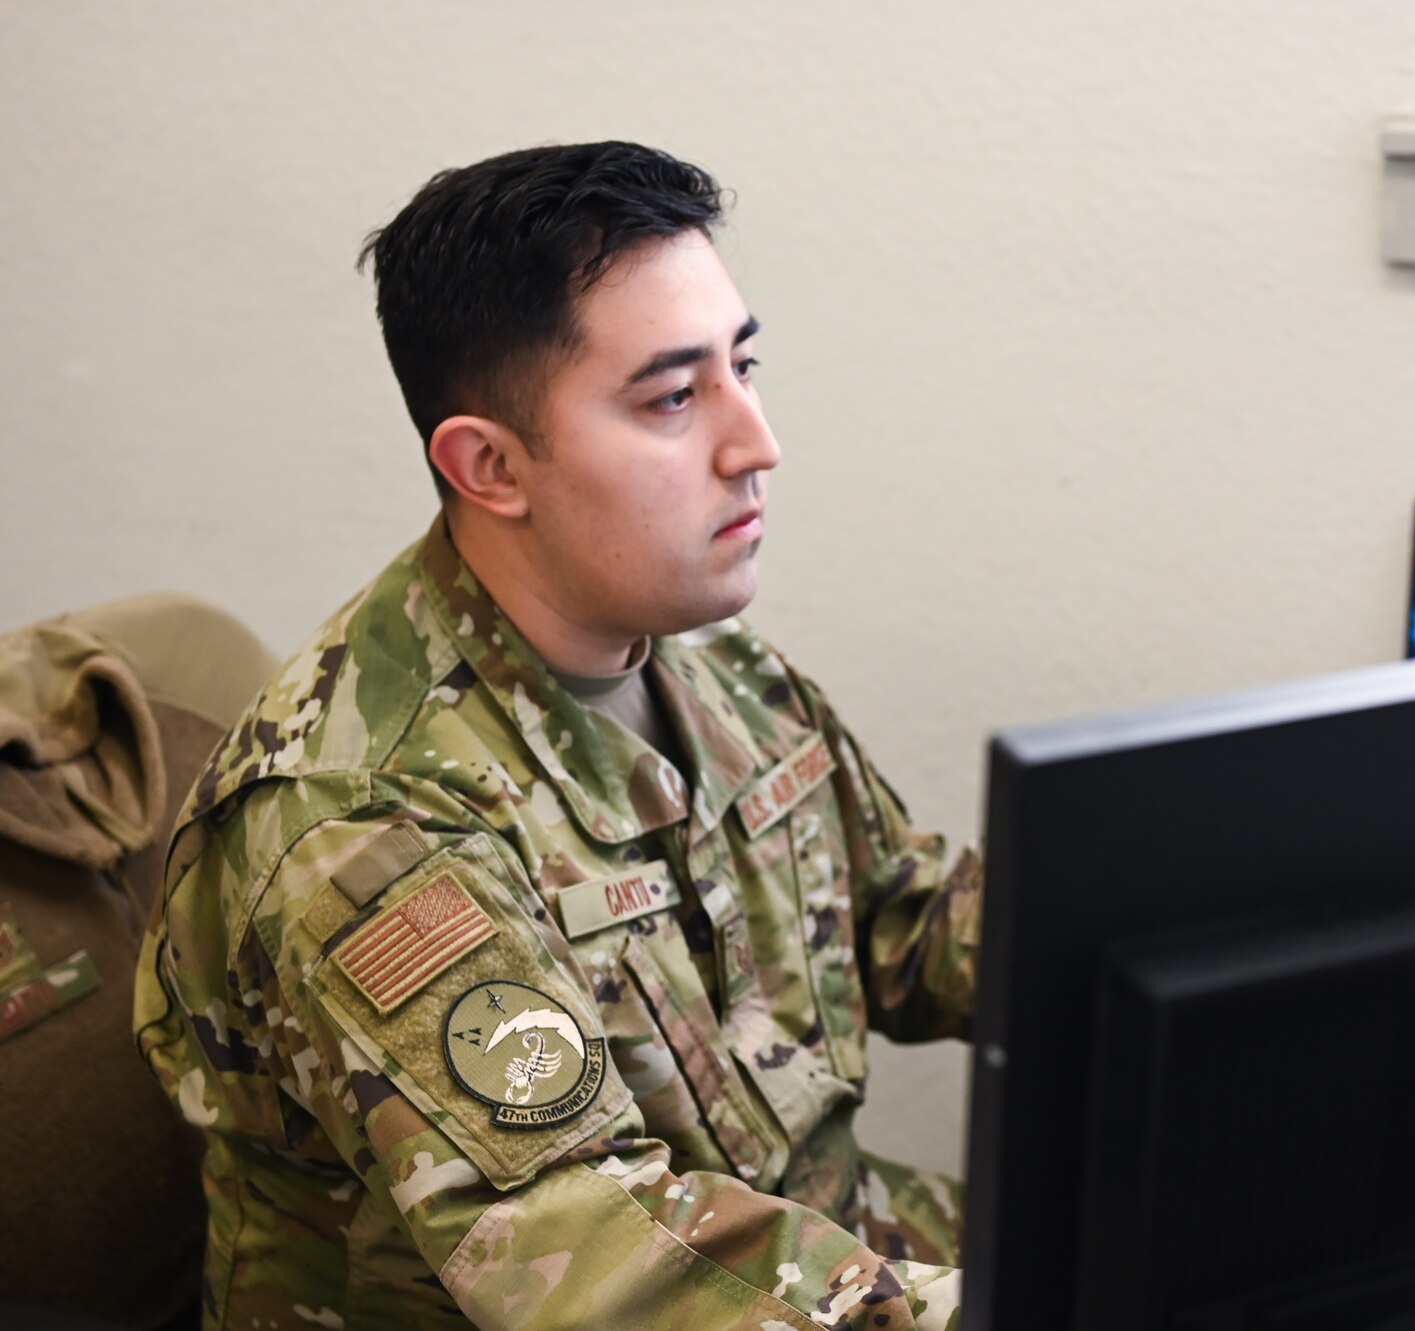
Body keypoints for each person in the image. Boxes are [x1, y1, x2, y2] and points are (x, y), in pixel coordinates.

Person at [134, 142, 981, 1330]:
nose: (756, 443)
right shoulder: (362, 821)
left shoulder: (707, 660)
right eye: (674, 397)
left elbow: (902, 910)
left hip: (802, 1246)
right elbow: (596, 1249)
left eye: (743, 366)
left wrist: (1259, 925)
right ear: (489, 465)